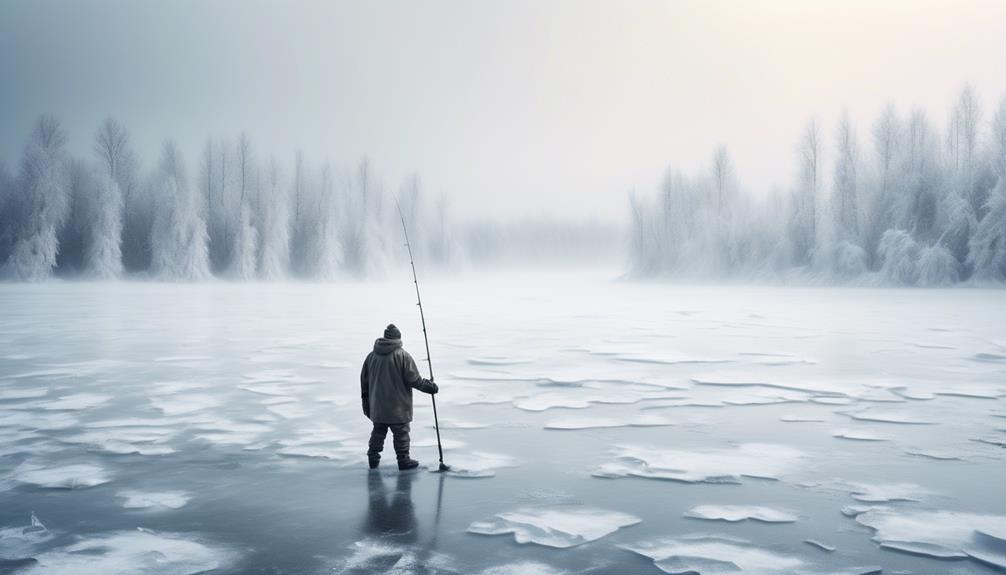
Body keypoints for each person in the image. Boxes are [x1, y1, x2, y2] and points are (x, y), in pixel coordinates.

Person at [361, 323, 438, 470]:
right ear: (398, 338)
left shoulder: (371, 357)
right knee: (401, 433)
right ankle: (403, 460)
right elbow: (415, 380)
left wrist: (366, 403)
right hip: (398, 407)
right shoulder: (402, 356)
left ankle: (373, 458)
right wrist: (430, 387)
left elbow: (364, 382)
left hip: (377, 406)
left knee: (378, 431)